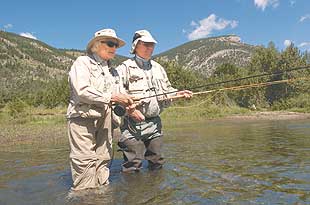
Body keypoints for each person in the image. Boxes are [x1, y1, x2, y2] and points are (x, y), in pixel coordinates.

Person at [66, 28, 136, 191]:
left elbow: (120, 94)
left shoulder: (113, 71)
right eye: (111, 44)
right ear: (96, 45)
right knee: (84, 159)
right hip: (82, 117)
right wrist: (113, 97)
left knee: (104, 157)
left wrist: (128, 103)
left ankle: (102, 191)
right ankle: (84, 194)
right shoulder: (82, 62)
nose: (114, 48)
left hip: (106, 118)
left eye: (116, 45)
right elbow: (82, 90)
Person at [116, 30, 192, 172]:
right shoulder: (124, 68)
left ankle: (156, 192)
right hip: (132, 125)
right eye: (145, 44)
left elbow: (167, 89)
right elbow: (117, 95)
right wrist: (131, 111)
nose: (149, 48)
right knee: (133, 165)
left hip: (155, 124)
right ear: (135, 46)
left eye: (152, 45)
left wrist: (179, 93)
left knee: (157, 162)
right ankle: (132, 193)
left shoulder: (158, 68)